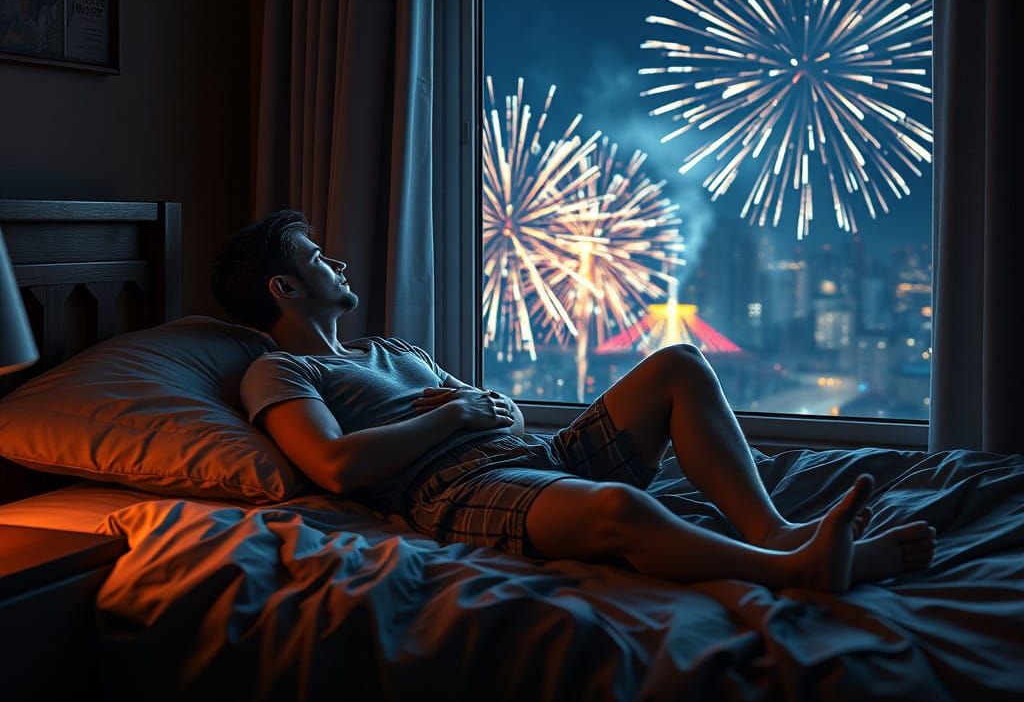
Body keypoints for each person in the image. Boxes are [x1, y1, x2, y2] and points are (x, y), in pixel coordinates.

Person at [211, 209, 936, 594]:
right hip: (461, 489)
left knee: (680, 363)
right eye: (315, 258)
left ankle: (777, 534)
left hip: (536, 457)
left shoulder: (394, 351)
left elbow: (501, 411)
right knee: (617, 511)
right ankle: (794, 573)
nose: (335, 261)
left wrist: (485, 410)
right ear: (284, 288)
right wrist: (455, 415)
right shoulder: (277, 374)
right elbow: (335, 467)